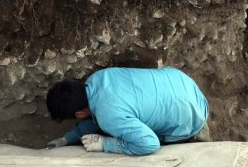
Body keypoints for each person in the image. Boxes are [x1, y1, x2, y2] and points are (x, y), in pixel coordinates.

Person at [45, 66, 210, 155]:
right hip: (183, 83)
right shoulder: (98, 78)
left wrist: (107, 144)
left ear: (79, 115)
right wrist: (66, 139)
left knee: (139, 148)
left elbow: (150, 144)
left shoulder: (108, 115)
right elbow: (99, 115)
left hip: (192, 117)